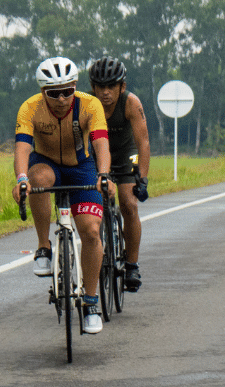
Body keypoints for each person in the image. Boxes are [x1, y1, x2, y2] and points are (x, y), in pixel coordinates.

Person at [12, 56, 111, 334]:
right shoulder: (30, 107)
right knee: (38, 179)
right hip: (46, 163)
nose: (61, 99)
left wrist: (104, 174)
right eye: (53, 93)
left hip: (82, 167)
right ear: (42, 92)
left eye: (67, 91)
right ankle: (43, 246)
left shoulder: (90, 105)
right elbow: (22, 147)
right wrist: (21, 179)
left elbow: (101, 142)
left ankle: (90, 303)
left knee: (91, 232)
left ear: (75, 87)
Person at [88, 56, 150, 291]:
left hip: (125, 153)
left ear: (122, 86)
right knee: (93, 205)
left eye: (111, 86)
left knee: (129, 204)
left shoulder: (130, 103)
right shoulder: (85, 103)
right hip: (96, 154)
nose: (105, 92)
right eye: (100, 86)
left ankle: (132, 264)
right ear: (93, 87)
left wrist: (142, 178)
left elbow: (143, 142)